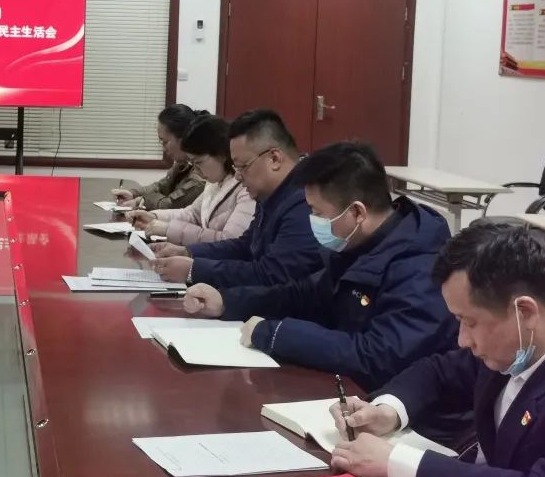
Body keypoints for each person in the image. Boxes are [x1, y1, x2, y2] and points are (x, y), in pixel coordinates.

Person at [328, 223, 545, 477]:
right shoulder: (515, 342)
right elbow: (439, 373)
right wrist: (386, 412)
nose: (462, 340)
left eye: (469, 322)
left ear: (525, 312)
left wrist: (399, 464)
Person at [182, 141, 457, 396]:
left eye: (317, 213)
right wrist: (227, 302)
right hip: (350, 392)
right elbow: (306, 294)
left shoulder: (420, 265)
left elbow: (378, 356)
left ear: (357, 213)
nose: (312, 221)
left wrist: (276, 334)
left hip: (403, 411)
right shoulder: (356, 243)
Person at [152, 109, 319, 289]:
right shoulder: (270, 194)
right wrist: (188, 252)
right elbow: (245, 246)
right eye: (235, 167)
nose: (238, 176)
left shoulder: (306, 201)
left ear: (274, 159)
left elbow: (271, 275)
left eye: (243, 166)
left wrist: (194, 270)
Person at [127, 115, 254, 245]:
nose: (197, 171)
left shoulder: (247, 189)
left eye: (199, 163)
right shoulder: (216, 181)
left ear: (221, 154)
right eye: (193, 164)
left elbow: (230, 242)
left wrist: (169, 229)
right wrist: (154, 217)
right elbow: (192, 214)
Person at [111, 104, 206, 210]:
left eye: (165, 142)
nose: (164, 149)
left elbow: (171, 204)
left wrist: (143, 201)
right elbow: (161, 186)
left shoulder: (202, 174)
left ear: (184, 139)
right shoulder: (184, 163)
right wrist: (133, 194)